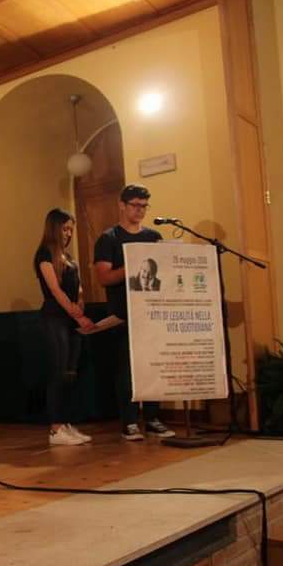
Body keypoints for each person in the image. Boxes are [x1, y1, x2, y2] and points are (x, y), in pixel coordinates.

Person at [93, 184, 176, 440]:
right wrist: (133, 264)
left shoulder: (153, 236)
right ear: (122, 205)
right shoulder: (109, 238)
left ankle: (152, 418)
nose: (140, 210)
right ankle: (129, 421)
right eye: (135, 205)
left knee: (152, 365)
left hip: (152, 310)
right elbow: (104, 277)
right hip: (123, 313)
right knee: (127, 369)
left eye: (144, 206)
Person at [34, 210, 94, 446]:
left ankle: (66, 423)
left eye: (71, 229)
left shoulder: (69, 257)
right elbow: (56, 291)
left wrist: (80, 305)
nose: (68, 233)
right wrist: (77, 315)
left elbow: (77, 289)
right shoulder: (44, 254)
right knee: (57, 372)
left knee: (70, 374)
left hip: (70, 319)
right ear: (54, 228)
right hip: (54, 318)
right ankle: (55, 428)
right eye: (65, 228)